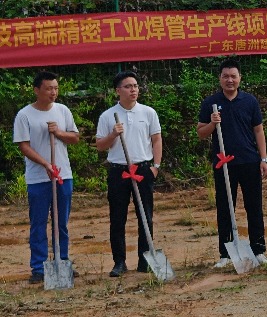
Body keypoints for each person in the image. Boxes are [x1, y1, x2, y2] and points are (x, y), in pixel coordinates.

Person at [197, 58, 267, 267]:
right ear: (220, 78)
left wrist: (263, 159)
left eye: (233, 76)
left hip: (249, 161)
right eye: (226, 76)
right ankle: (225, 254)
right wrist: (213, 123)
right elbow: (201, 132)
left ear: (240, 78)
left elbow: (258, 130)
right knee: (225, 208)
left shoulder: (250, 101)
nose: (230, 80)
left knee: (254, 207)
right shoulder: (210, 103)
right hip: (223, 163)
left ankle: (258, 250)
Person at [13, 71, 80, 284]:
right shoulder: (24, 115)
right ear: (37, 90)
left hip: (63, 175)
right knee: (39, 223)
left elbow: (75, 137)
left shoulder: (63, 110)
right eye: (49, 88)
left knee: (61, 223)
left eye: (56, 88)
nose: (53, 92)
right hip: (38, 178)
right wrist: (45, 164)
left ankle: (62, 261)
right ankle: (39, 267)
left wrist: (59, 133)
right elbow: (24, 146)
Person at [95, 71, 163, 277]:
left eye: (135, 86)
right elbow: (100, 145)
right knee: (118, 218)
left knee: (146, 216)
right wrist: (113, 134)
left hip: (142, 169)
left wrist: (156, 166)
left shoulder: (148, 112)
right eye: (128, 86)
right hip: (119, 171)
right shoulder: (108, 116)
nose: (133, 90)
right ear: (118, 91)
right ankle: (119, 262)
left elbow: (156, 139)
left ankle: (145, 260)